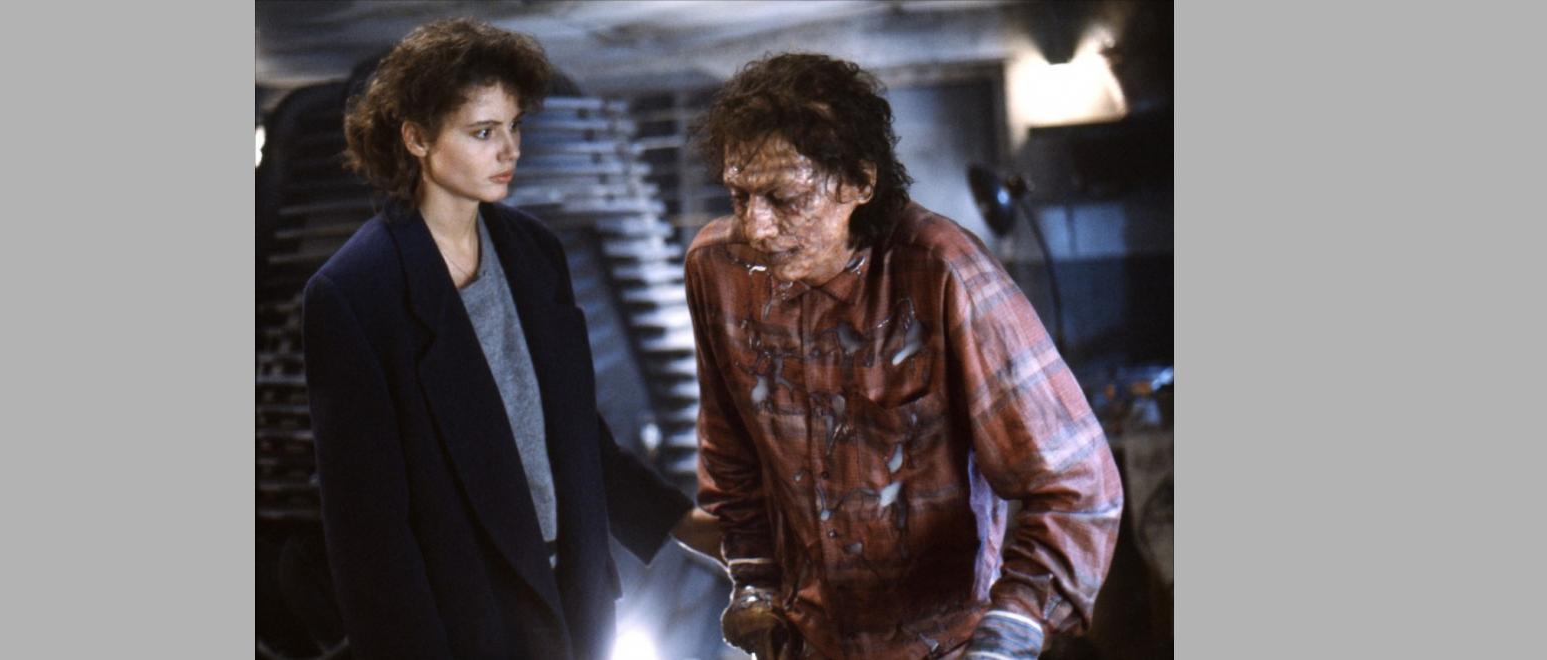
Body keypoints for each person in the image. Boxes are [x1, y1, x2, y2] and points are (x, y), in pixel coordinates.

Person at [686, 53, 1124, 659]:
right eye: (739, 196)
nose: (756, 227)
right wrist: (754, 580)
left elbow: (1078, 485)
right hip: (810, 640)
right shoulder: (718, 268)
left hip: (946, 644)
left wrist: (1008, 634)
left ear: (859, 184)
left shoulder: (943, 269)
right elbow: (730, 453)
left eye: (784, 199)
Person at [303, 18, 710, 659]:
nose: (511, 150)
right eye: (483, 132)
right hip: (465, 626)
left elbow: (576, 434)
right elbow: (370, 538)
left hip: (575, 605)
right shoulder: (355, 293)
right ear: (416, 137)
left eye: (514, 126)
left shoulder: (534, 252)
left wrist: (684, 524)